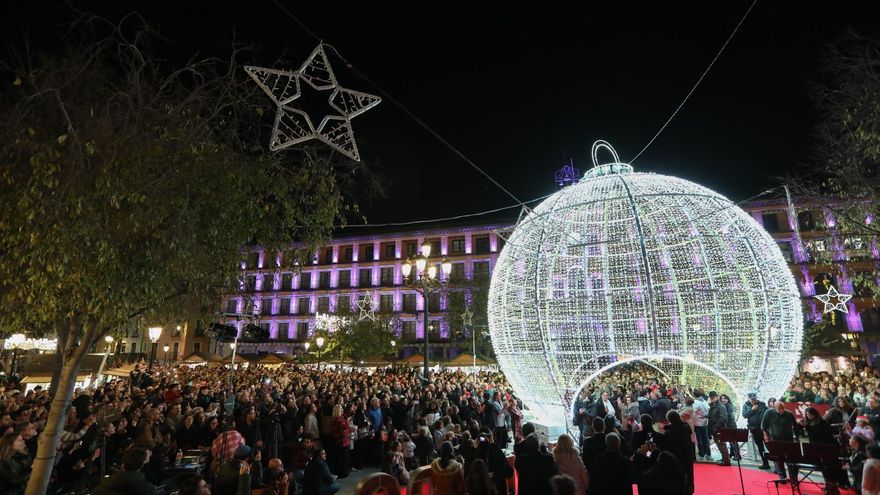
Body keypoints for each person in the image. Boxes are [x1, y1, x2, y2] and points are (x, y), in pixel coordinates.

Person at [659, 410, 695, 495]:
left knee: (679, 476)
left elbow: (666, 445)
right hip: (688, 454)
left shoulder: (669, 432)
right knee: (689, 473)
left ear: (669, 420)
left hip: (677, 456)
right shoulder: (686, 426)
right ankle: (690, 490)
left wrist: (663, 430)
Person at [762, 399, 796, 480]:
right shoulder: (769, 412)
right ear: (774, 408)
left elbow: (795, 426)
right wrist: (766, 436)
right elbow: (763, 425)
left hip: (788, 438)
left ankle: (793, 476)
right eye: (779, 410)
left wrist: (797, 437)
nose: (781, 411)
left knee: (790, 458)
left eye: (782, 409)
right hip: (775, 438)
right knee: (778, 458)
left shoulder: (789, 414)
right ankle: (782, 476)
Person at [741, 392, 770, 469]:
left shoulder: (762, 404)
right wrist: (752, 410)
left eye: (754, 398)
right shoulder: (746, 405)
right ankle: (765, 463)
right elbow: (744, 415)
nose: (753, 400)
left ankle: (777, 464)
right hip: (754, 429)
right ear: (749, 399)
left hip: (763, 429)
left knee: (769, 445)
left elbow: (766, 415)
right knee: (760, 447)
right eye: (751, 399)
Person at [707, 391, 730, 466]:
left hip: (719, 428)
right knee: (719, 444)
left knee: (721, 444)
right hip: (715, 428)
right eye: (711, 398)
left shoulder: (720, 406)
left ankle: (726, 460)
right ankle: (724, 458)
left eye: (713, 397)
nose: (712, 399)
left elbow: (723, 418)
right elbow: (713, 416)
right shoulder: (714, 406)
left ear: (716, 397)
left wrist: (716, 427)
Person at [692, 391, 711, 461]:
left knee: (699, 440)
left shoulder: (696, 403)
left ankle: (702, 454)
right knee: (705, 439)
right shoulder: (705, 402)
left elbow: (693, 412)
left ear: (693, 395)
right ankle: (708, 454)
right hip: (705, 423)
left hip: (698, 423)